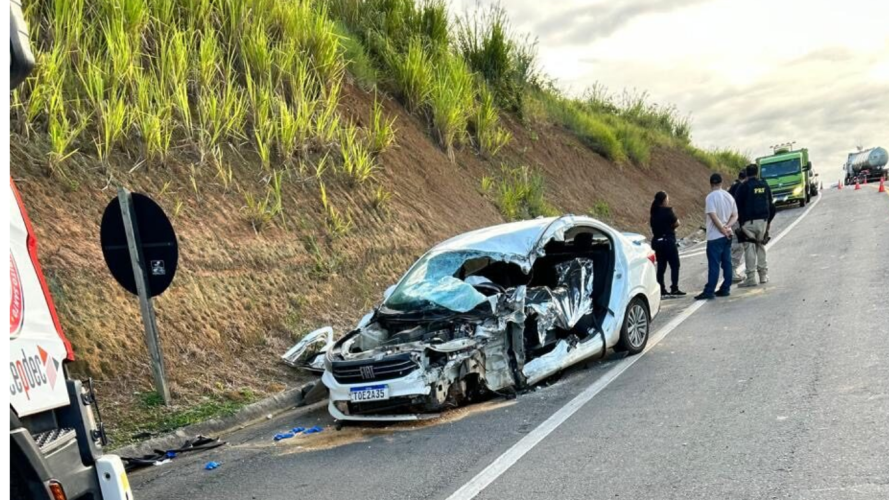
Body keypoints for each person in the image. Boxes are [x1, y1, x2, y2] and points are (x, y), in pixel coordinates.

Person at [695, 173, 738, 300]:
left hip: (715, 236)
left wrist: (721, 229)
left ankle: (709, 290)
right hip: (727, 234)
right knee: (727, 262)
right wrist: (727, 226)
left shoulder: (710, 197)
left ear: (711, 183)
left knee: (714, 264)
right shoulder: (728, 196)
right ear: (721, 182)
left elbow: (713, 216)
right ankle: (725, 288)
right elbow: (735, 215)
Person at [734, 164, 776, 286]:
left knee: (750, 248)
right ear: (757, 173)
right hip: (762, 221)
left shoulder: (743, 187)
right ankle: (763, 276)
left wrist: (740, 223)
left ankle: (751, 278)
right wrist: (768, 222)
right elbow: (771, 204)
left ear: (746, 173)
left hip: (748, 223)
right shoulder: (764, 185)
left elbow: (737, 206)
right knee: (761, 246)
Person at [649, 191, 685, 297]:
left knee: (661, 266)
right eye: (667, 199)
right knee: (675, 265)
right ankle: (674, 288)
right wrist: (670, 228)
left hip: (657, 242)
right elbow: (677, 223)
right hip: (668, 241)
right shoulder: (668, 211)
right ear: (664, 200)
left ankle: (661, 289)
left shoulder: (653, 213)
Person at [728, 169, 748, 282]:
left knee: (736, 245)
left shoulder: (733, 187)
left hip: (732, 219)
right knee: (738, 245)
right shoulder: (740, 187)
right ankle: (732, 271)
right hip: (736, 220)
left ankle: (731, 271)